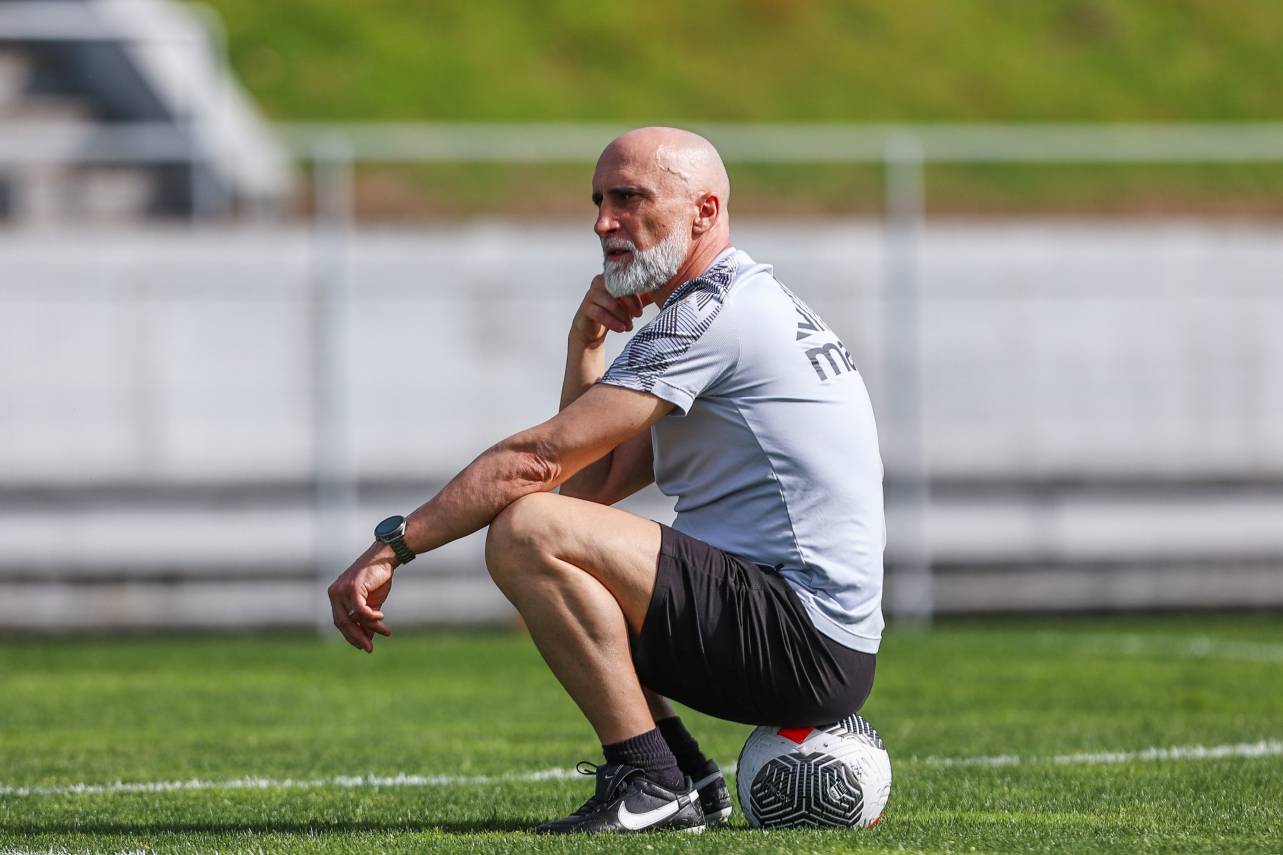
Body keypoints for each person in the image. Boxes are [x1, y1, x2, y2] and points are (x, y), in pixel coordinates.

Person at [327, 126, 885, 835]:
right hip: (819, 639)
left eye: (629, 198)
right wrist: (585, 346)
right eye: (598, 201)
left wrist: (392, 547)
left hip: (799, 635)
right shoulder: (738, 303)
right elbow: (590, 491)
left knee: (525, 528)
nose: (603, 222)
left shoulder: (710, 315)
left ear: (704, 212)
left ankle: (651, 780)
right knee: (542, 531)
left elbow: (538, 466)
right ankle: (686, 777)